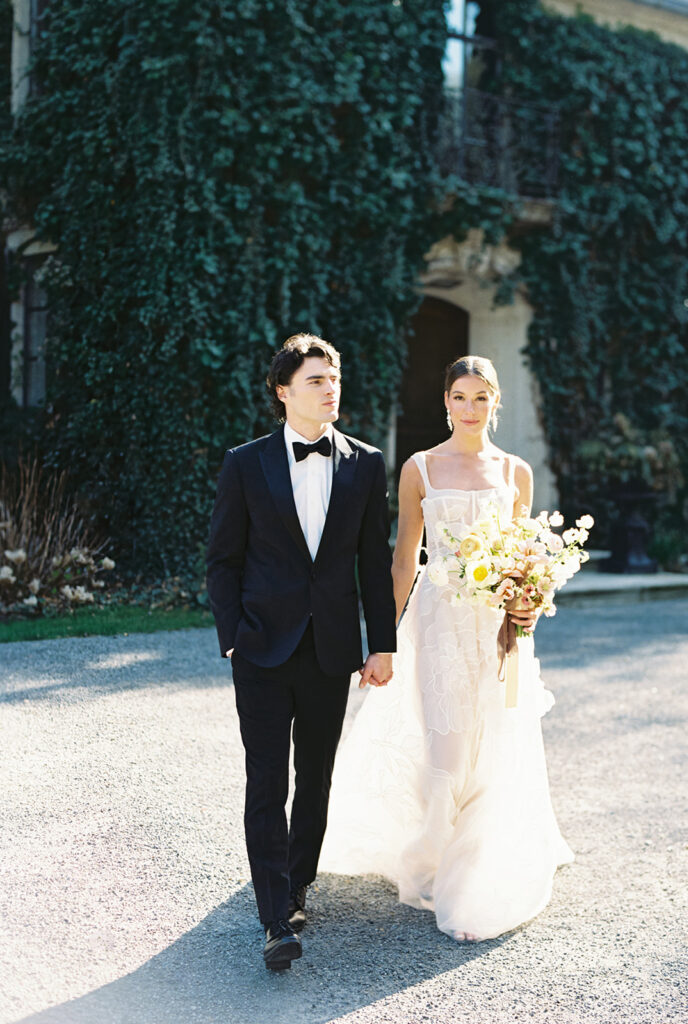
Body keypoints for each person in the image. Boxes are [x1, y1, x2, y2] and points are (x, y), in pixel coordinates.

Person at [320, 355, 573, 942]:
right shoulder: (420, 469)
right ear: (446, 402)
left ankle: (479, 863)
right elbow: (405, 556)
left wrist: (527, 601)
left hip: (495, 629)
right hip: (435, 626)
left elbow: (522, 556)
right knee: (447, 746)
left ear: (495, 403)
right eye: (460, 396)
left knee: (493, 743)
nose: (470, 408)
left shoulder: (516, 472)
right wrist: (382, 638)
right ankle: (432, 854)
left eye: (481, 398)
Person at [206, 333, 396, 971]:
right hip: (260, 648)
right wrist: (232, 635)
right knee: (266, 782)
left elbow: (373, 562)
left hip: (330, 651)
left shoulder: (367, 464)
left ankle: (297, 882)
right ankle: (273, 919)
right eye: (316, 380)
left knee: (314, 778)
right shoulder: (245, 463)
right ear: (283, 392)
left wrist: (382, 646)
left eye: (334, 377)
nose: (330, 388)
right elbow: (223, 560)